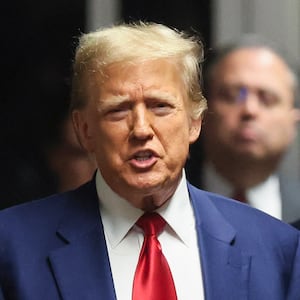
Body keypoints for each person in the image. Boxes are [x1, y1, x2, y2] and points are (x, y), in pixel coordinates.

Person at [0, 22, 299, 300]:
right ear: (85, 130)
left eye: (160, 106)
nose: (141, 129)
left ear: (195, 122)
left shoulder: (277, 249)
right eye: (118, 110)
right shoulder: (12, 247)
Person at [186, 36, 300, 224]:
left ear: (293, 120)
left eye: (267, 98)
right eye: (231, 95)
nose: (249, 109)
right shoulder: (161, 203)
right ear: (202, 112)